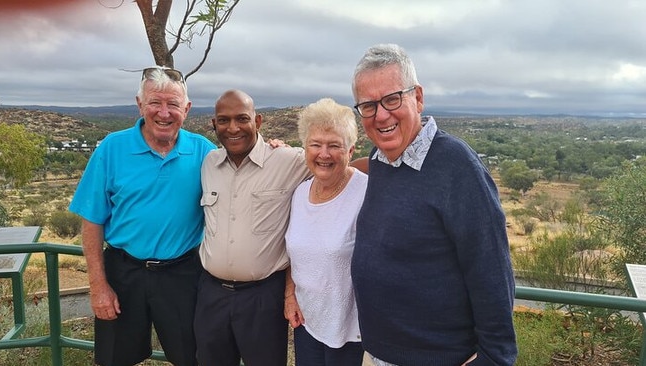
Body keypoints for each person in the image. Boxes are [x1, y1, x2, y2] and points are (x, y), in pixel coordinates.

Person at [350, 44, 517, 366]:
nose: (381, 115)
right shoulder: (380, 159)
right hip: (377, 354)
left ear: (418, 98)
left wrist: (494, 358)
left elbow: (491, 270)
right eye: (368, 106)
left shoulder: (456, 166)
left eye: (391, 99)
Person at [68, 66, 216, 366]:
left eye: (173, 104)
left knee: (194, 357)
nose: (164, 113)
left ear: (186, 109)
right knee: (113, 359)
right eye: (155, 103)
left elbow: (243, 174)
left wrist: (274, 150)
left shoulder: (204, 152)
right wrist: (98, 286)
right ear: (139, 105)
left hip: (183, 274)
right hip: (123, 272)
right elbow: (92, 222)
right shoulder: (111, 148)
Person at [195, 89, 311, 366]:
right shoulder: (208, 163)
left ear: (257, 122)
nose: (233, 128)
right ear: (214, 124)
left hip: (263, 298)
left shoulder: (289, 160)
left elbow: (336, 165)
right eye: (223, 120)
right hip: (211, 295)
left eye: (242, 119)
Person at [284, 98, 367, 366]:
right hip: (307, 322)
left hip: (353, 331)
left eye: (334, 145)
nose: (324, 154)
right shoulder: (299, 193)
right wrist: (290, 295)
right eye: (316, 145)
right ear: (305, 148)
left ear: (351, 150)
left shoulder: (366, 192)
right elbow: (295, 253)